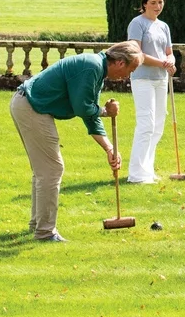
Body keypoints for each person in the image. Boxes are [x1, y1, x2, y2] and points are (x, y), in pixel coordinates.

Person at [9, 41, 143, 242]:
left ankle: (37, 225)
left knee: (44, 171)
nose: (128, 77)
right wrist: (105, 111)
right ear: (121, 63)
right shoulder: (91, 67)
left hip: (26, 104)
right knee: (51, 169)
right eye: (131, 70)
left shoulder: (96, 69)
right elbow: (82, 107)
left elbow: (90, 115)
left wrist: (109, 148)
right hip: (32, 108)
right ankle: (45, 233)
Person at [127, 0, 177, 184]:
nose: (158, 6)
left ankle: (147, 169)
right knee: (146, 123)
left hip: (160, 79)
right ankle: (136, 174)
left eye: (160, 2)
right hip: (142, 78)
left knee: (158, 125)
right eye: (153, 3)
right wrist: (162, 63)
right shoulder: (137, 24)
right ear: (144, 4)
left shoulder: (163, 26)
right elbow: (136, 53)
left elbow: (169, 52)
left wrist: (171, 62)